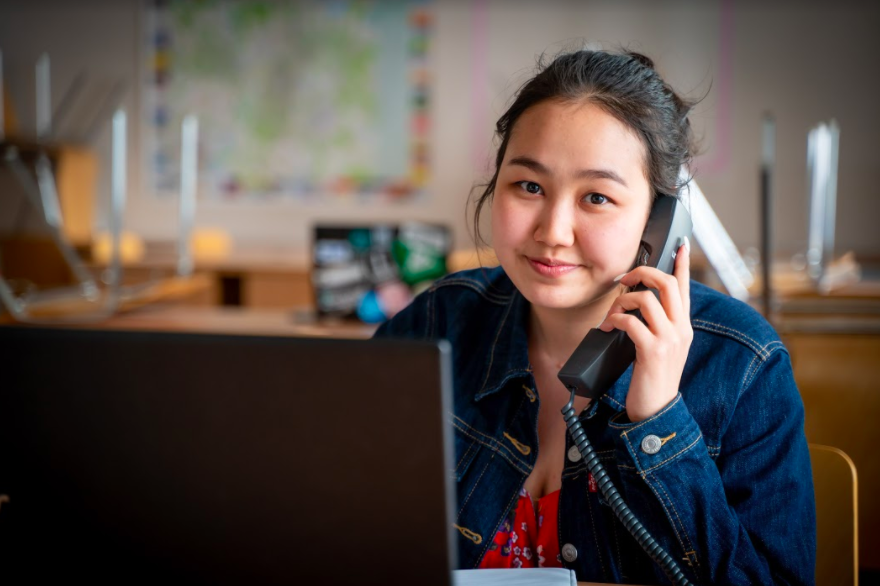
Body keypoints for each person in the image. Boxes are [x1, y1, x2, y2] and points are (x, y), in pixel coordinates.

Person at [374, 48, 815, 585]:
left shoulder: (743, 366)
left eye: (597, 198)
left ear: (660, 222)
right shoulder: (437, 321)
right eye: (529, 186)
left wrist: (657, 421)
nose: (554, 231)